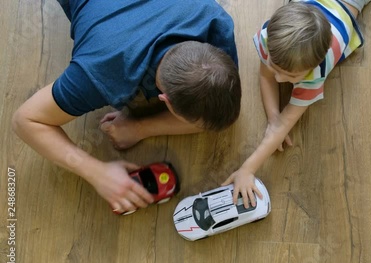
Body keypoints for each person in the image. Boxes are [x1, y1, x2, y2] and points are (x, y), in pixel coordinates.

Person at [12, 0, 241, 214]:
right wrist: (96, 172)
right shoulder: (101, 73)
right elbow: (26, 120)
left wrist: (140, 128)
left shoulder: (212, 16)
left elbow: (216, 109)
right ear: (165, 100)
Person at [222, 0, 371, 208]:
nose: (280, 79)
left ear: (313, 66)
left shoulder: (315, 75)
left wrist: (248, 169)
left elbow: (284, 124)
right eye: (275, 66)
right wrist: (274, 117)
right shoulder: (270, 39)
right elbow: (266, 77)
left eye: (291, 75)